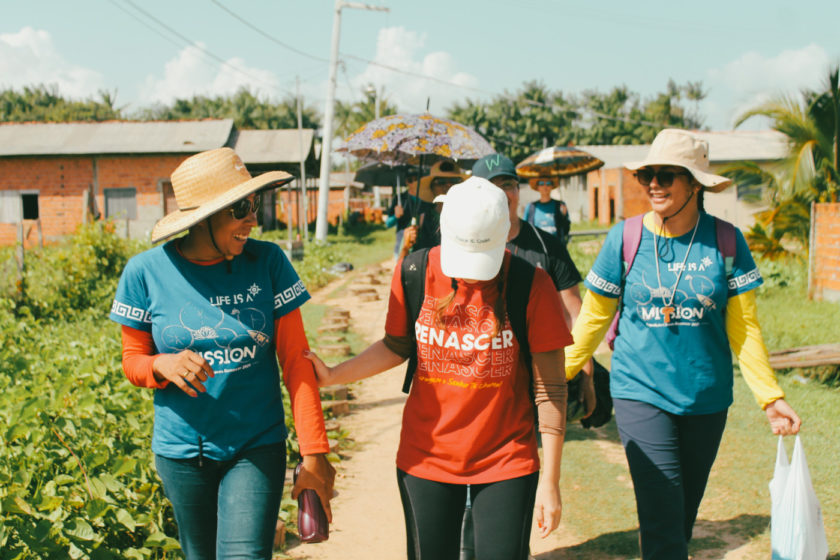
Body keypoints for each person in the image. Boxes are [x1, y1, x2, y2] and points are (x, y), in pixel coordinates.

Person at [564, 128, 802, 560]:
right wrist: (553, 374)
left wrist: (771, 396)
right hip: (640, 391)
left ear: (695, 184)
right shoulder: (625, 238)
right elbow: (594, 318)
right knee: (662, 519)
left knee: (680, 516)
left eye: (668, 175)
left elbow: (744, 327)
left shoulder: (727, 241)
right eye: (648, 174)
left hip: (706, 398)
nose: (654, 183)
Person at [306, 177, 572, 560]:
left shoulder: (532, 284)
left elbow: (551, 390)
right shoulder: (414, 271)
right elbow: (396, 346)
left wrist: (551, 481)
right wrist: (333, 375)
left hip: (506, 458)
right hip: (425, 456)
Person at [109, 148, 336, 559]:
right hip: (182, 452)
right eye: (241, 208)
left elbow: (297, 363)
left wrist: (315, 453)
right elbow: (132, 361)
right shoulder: (145, 273)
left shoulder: (268, 262)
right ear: (204, 217)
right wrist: (162, 364)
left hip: (256, 443)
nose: (253, 219)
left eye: (255, 205)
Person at [398, 159, 465, 258]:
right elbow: (401, 266)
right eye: (440, 181)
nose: (448, 185)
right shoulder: (419, 220)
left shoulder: (469, 217)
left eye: (454, 181)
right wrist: (406, 246)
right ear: (431, 188)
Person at [523, 177, 572, 245]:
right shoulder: (531, 207)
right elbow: (524, 231)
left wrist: (564, 216)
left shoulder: (560, 206)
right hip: (537, 249)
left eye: (548, 183)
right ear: (537, 187)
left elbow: (566, 230)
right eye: (541, 183)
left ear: (552, 186)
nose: (545, 186)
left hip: (556, 248)